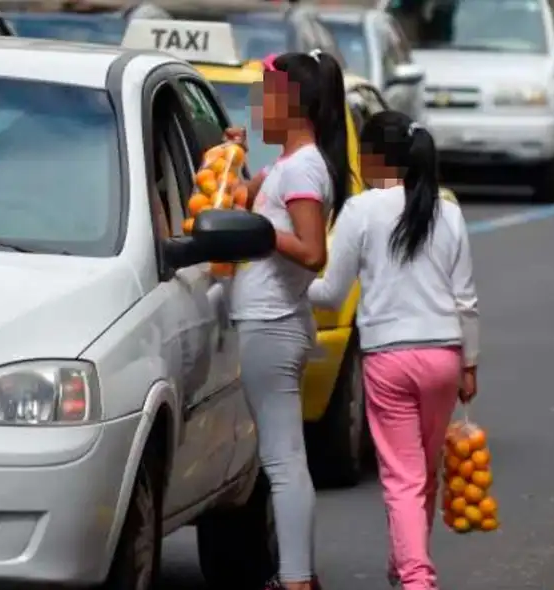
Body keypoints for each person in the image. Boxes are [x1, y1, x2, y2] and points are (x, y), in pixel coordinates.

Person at [307, 111, 479, 590]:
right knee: (422, 473)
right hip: (444, 356)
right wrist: (469, 364)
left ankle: (416, 577)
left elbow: (331, 293)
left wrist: (287, 285)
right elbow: (466, 300)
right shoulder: (447, 211)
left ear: (372, 158)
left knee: (401, 478)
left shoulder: (360, 211)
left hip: (389, 360)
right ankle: (405, 564)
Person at [224, 48, 350, 590]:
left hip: (271, 323)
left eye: (265, 97)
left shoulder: (302, 167)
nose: (258, 108)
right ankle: (297, 576)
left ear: (293, 104)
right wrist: (234, 159)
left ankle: (297, 579)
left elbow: (312, 250)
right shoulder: (286, 165)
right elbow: (241, 201)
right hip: (272, 320)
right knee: (282, 458)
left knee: (282, 461)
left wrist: (263, 234)